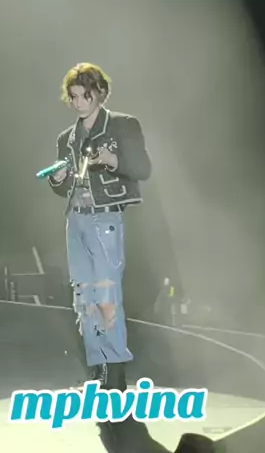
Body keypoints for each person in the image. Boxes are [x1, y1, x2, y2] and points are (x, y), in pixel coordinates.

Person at [47, 62, 151, 390]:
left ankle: (115, 375)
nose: (78, 103)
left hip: (105, 218)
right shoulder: (66, 138)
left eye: (85, 96)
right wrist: (58, 178)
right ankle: (99, 369)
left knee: (106, 295)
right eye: (74, 97)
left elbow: (143, 168)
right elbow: (63, 187)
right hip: (75, 220)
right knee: (84, 298)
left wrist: (112, 160)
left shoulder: (122, 125)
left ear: (101, 93)